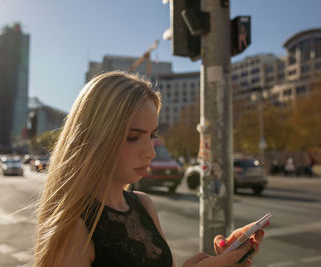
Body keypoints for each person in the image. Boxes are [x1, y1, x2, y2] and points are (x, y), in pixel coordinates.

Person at [35, 71, 265, 267]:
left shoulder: (143, 205)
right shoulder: (73, 228)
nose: (150, 152)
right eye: (133, 137)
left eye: (152, 136)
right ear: (92, 139)